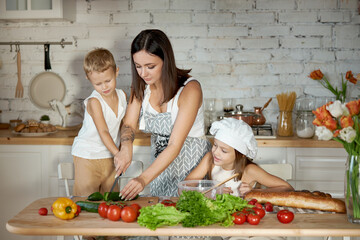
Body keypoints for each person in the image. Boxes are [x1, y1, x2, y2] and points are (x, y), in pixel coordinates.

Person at [116, 29, 211, 199]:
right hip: (159, 172)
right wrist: (126, 147)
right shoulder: (140, 87)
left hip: (191, 175)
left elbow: (174, 144)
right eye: (138, 66)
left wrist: (142, 179)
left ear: (166, 60)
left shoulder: (190, 89)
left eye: (150, 66)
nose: (143, 73)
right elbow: (129, 124)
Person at [185, 118, 294, 197]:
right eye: (215, 145)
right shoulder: (210, 159)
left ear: (241, 154)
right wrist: (212, 192)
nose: (215, 152)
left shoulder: (250, 170)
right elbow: (184, 187)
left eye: (224, 150)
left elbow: (288, 189)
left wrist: (254, 192)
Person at [71, 48, 127, 196]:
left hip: (110, 156)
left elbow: (122, 125)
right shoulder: (95, 102)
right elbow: (103, 131)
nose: (104, 87)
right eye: (98, 83)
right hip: (87, 156)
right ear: (89, 79)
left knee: (112, 199)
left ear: (116, 72)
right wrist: (119, 154)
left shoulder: (122, 96)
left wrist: (120, 151)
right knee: (86, 201)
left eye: (108, 81)